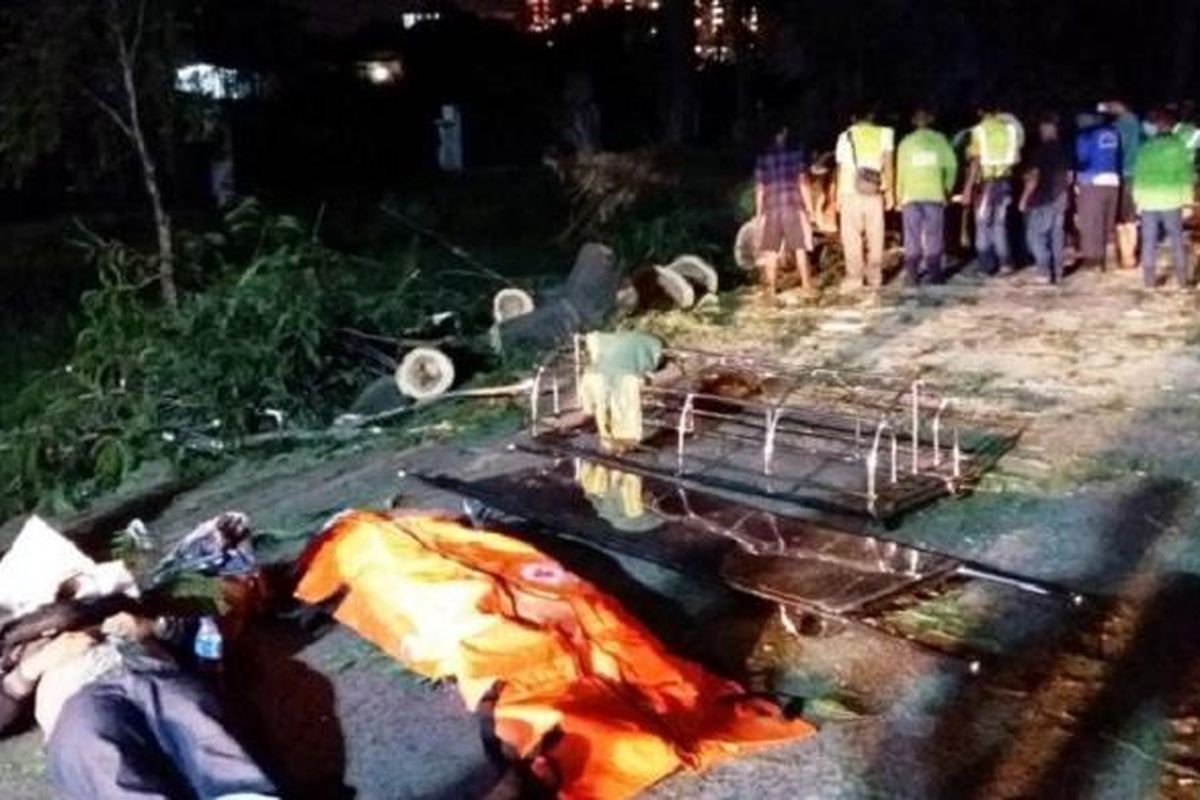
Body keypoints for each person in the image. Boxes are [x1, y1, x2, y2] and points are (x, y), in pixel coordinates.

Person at [0, 599, 278, 800]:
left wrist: (155, 627)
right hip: (75, 697)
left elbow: (208, 634)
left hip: (153, 673)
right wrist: (31, 669)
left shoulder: (109, 606)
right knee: (98, 753)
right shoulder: (11, 648)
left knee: (200, 722)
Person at [1133, 107, 1195, 289]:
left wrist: (1138, 200)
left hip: (1148, 200)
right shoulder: (1178, 147)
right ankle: (1182, 281)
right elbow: (1185, 175)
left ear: (1156, 126)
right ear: (1171, 126)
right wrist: (1188, 202)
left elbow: (1139, 175)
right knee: (1176, 239)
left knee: (1148, 241)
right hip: (1171, 199)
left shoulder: (1145, 148)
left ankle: (1149, 282)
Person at [895, 108, 958, 285]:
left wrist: (899, 194)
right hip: (934, 194)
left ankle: (913, 275)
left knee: (912, 236)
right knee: (934, 235)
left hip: (911, 195)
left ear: (914, 122)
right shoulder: (940, 141)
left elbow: (900, 171)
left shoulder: (906, 143)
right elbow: (952, 166)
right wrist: (947, 188)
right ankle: (935, 274)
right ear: (930, 120)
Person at [834, 110, 895, 290]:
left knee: (851, 237)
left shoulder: (844, 136)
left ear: (853, 117)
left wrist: (837, 196)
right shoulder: (885, 133)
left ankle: (854, 278)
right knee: (876, 236)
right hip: (873, 190)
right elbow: (888, 166)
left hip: (848, 190)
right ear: (872, 116)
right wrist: (889, 192)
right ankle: (875, 277)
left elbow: (840, 168)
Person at [753, 125, 814, 296]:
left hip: (771, 209)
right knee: (800, 248)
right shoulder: (796, 154)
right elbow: (802, 182)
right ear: (785, 132)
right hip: (792, 207)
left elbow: (759, 188)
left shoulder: (763, 157)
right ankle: (807, 286)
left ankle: (771, 289)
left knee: (771, 251)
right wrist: (809, 208)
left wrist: (759, 213)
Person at [965, 105, 1024, 275]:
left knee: (982, 225)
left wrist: (968, 187)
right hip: (1005, 181)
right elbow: (1017, 157)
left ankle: (985, 265)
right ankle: (1005, 263)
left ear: (980, 112)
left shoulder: (979, 131)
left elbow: (976, 162)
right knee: (1000, 224)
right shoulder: (1010, 131)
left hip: (986, 184)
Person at [1019, 114, 1072, 284]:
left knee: (1035, 235)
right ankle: (1058, 270)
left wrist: (1024, 198)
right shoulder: (1065, 150)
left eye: (1042, 129)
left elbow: (1033, 177)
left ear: (1047, 129)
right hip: (1061, 196)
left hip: (1043, 198)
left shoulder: (1040, 151)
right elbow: (1070, 177)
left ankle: (1044, 270)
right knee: (1056, 234)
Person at [1074, 111, 1123, 270]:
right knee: (1107, 221)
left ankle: (1093, 259)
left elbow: (1083, 159)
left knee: (1090, 222)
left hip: (1093, 180)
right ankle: (1109, 256)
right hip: (1113, 180)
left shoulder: (1086, 136)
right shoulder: (1113, 133)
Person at [1100, 99, 1142, 269]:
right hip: (1133, 172)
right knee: (1128, 215)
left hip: (1121, 172)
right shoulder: (1135, 124)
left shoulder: (1118, 126)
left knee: (1119, 216)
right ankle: (1128, 255)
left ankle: (1124, 255)